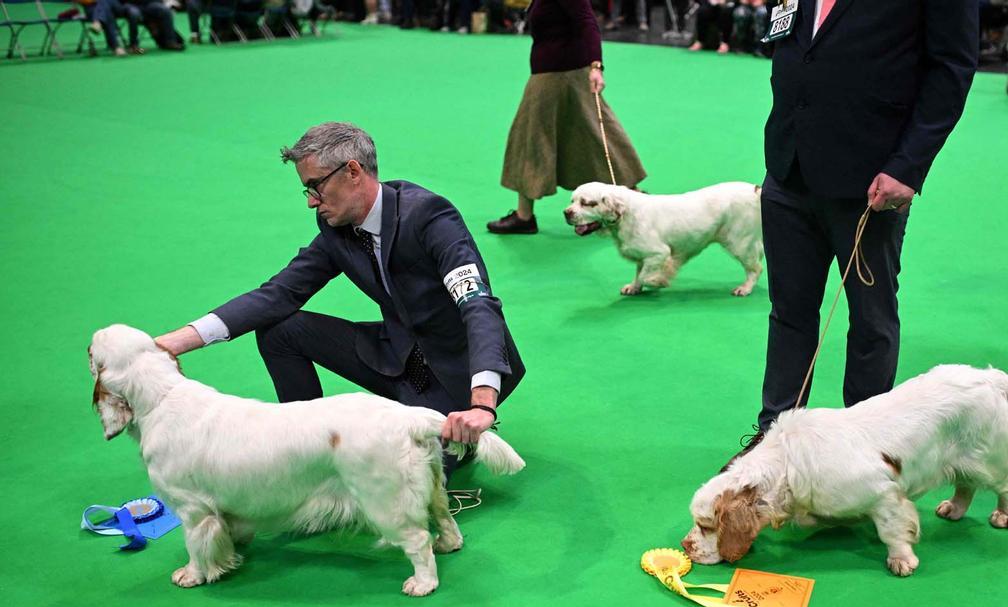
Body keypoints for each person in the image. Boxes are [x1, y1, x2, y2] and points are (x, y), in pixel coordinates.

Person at [156, 122, 525, 471]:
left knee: (398, 474)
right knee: (281, 331)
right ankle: (306, 448)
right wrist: (172, 343)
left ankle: (468, 429)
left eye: (315, 186)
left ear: (352, 171)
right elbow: (279, 293)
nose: (312, 202)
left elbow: (478, 305)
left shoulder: (429, 216)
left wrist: (481, 403)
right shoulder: (337, 225)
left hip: (454, 374)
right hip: (395, 358)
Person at [732, 0, 978, 463]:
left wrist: (908, 166)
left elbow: (952, 69)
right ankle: (776, 442)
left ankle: (864, 451)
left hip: (873, 177)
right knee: (789, 312)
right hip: (789, 165)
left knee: (871, 320)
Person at [487, 0, 647, 235]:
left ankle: (524, 217)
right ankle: (635, 200)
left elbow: (587, 21)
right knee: (593, 138)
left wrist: (596, 66)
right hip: (553, 72)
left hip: (561, 74)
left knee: (533, 140)